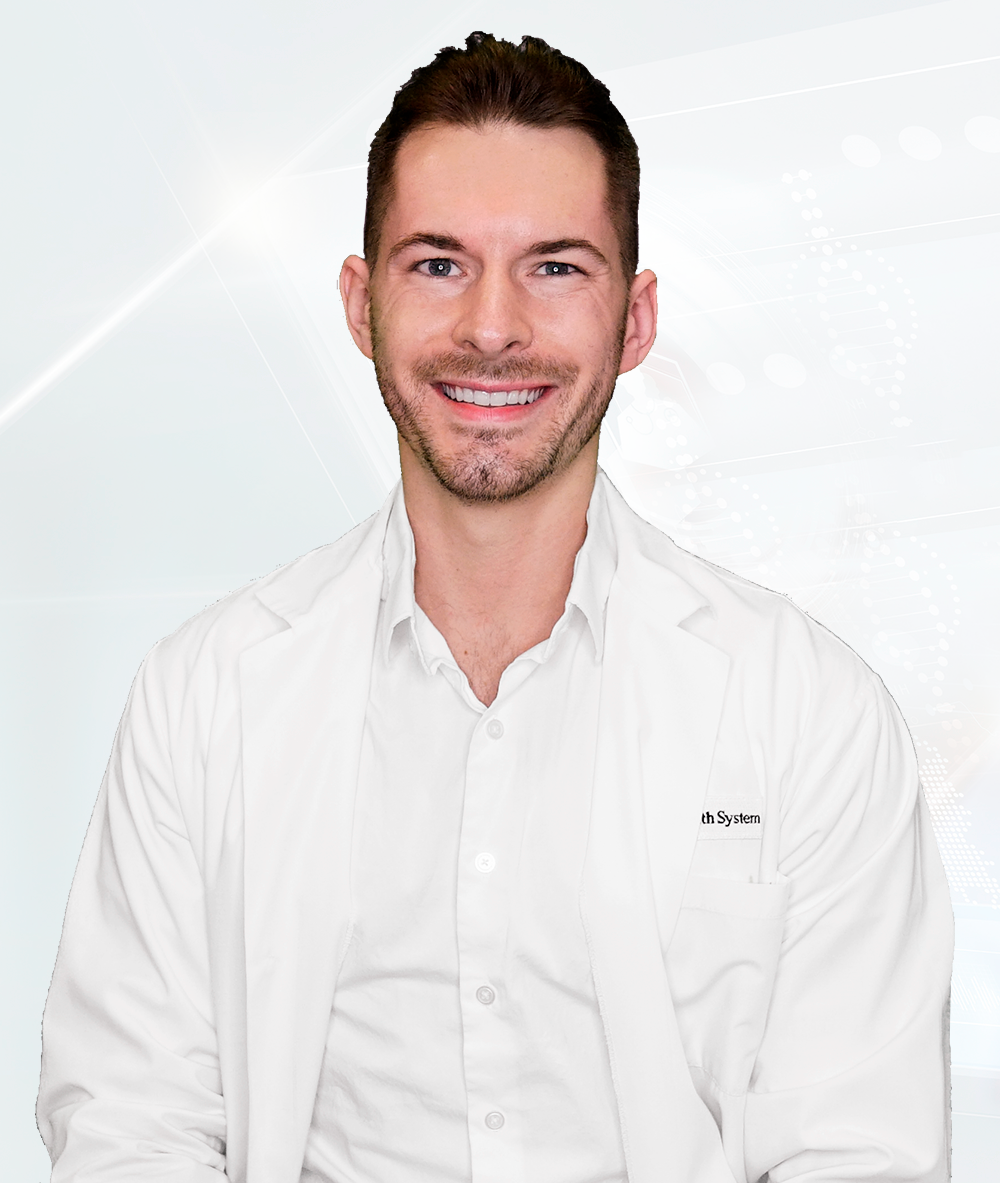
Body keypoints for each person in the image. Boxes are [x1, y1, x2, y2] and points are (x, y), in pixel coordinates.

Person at [37, 31, 953, 1183]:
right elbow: (130, 1125)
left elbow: (860, 1150)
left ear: (634, 320)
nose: (490, 327)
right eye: (438, 264)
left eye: (555, 267)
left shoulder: (808, 710)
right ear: (361, 306)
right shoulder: (204, 695)